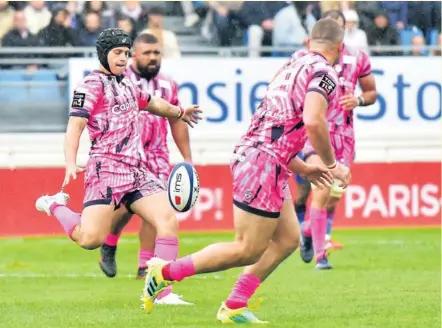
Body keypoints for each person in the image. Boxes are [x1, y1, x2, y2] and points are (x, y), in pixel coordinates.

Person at [142, 18, 350, 323]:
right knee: (247, 249)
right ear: (340, 48)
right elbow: (314, 121)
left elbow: (276, 124)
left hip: (268, 159)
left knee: (289, 239)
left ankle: (236, 303)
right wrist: (332, 164)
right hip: (262, 163)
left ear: (309, 42)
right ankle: (164, 272)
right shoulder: (324, 73)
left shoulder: (292, 64)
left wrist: (302, 166)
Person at [35, 29, 201, 297]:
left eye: (126, 53)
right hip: (106, 172)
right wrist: (70, 162)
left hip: (137, 171)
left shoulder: (127, 83)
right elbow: (74, 126)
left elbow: (154, 103)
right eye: (118, 53)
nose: (124, 59)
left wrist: (180, 112)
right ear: (103, 53)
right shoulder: (89, 86)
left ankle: (163, 295)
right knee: (90, 239)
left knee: (167, 219)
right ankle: (54, 204)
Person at [98, 33, 193, 305]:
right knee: (126, 208)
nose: (153, 57)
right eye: (147, 53)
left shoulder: (168, 85)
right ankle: (110, 240)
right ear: (134, 55)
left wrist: (186, 157)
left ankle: (146, 264)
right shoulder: (120, 80)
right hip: (126, 154)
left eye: (157, 53)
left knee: (159, 214)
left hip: (158, 154)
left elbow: (177, 120)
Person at [291, 10, 377, 269]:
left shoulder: (358, 58)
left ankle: (307, 231)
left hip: (344, 135)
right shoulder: (301, 58)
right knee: (321, 189)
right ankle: (321, 256)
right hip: (313, 133)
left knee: (332, 199)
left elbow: (372, 92)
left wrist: (359, 100)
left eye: (338, 28)